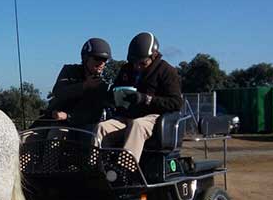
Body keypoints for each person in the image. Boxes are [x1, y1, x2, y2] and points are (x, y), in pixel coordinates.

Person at [94, 32, 183, 163]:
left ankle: (125, 169)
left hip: (152, 118)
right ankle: (97, 167)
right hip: (127, 116)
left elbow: (176, 102)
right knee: (102, 127)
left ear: (154, 55)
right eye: (134, 62)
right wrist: (114, 97)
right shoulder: (126, 69)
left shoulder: (167, 71)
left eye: (142, 63)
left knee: (137, 126)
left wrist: (145, 99)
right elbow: (114, 89)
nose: (137, 66)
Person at [34, 37, 113, 130]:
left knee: (56, 135)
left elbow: (93, 114)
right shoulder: (69, 71)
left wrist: (67, 116)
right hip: (52, 121)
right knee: (25, 139)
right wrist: (84, 85)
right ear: (86, 58)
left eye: (105, 60)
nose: (101, 63)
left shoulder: (102, 86)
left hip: (82, 128)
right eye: (97, 58)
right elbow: (58, 92)